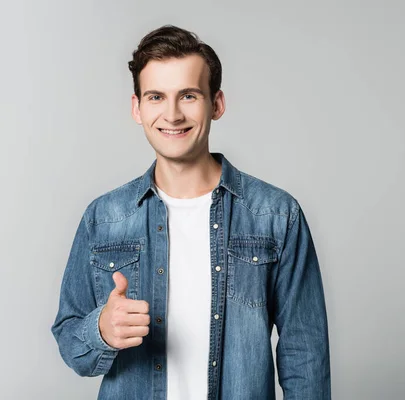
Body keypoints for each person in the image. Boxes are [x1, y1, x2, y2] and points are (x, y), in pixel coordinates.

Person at [50, 24, 331, 400]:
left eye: (188, 95)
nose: (172, 114)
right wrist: (100, 330)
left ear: (216, 104)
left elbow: (306, 356)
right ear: (137, 108)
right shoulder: (104, 219)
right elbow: (72, 345)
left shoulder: (276, 215)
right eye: (155, 97)